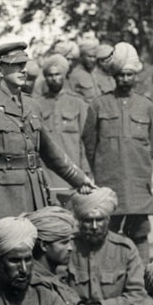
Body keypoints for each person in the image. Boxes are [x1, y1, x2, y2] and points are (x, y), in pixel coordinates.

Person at [0, 42, 95, 262]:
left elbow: (50, 153)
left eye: (24, 64)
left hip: (34, 197)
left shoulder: (31, 106)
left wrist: (79, 179)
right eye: (16, 65)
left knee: (34, 264)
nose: (23, 69)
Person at [82, 42, 153, 261]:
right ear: (114, 76)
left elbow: (151, 146)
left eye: (129, 75)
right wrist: (101, 167)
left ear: (136, 76)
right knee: (108, 231)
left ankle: (142, 278)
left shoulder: (147, 107)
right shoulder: (98, 105)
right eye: (120, 75)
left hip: (137, 182)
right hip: (109, 181)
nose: (125, 79)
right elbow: (90, 144)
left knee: (140, 232)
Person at [66, 187, 153, 305]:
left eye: (99, 220)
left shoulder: (125, 249)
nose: (94, 227)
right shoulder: (68, 248)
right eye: (88, 220)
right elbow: (57, 288)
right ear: (79, 221)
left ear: (108, 220)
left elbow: (137, 294)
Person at [36, 53, 91, 204]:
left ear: (64, 75)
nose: (54, 78)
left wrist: (85, 173)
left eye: (57, 74)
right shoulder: (37, 104)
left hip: (73, 174)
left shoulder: (78, 103)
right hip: (47, 175)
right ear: (45, 78)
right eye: (49, 75)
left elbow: (85, 141)